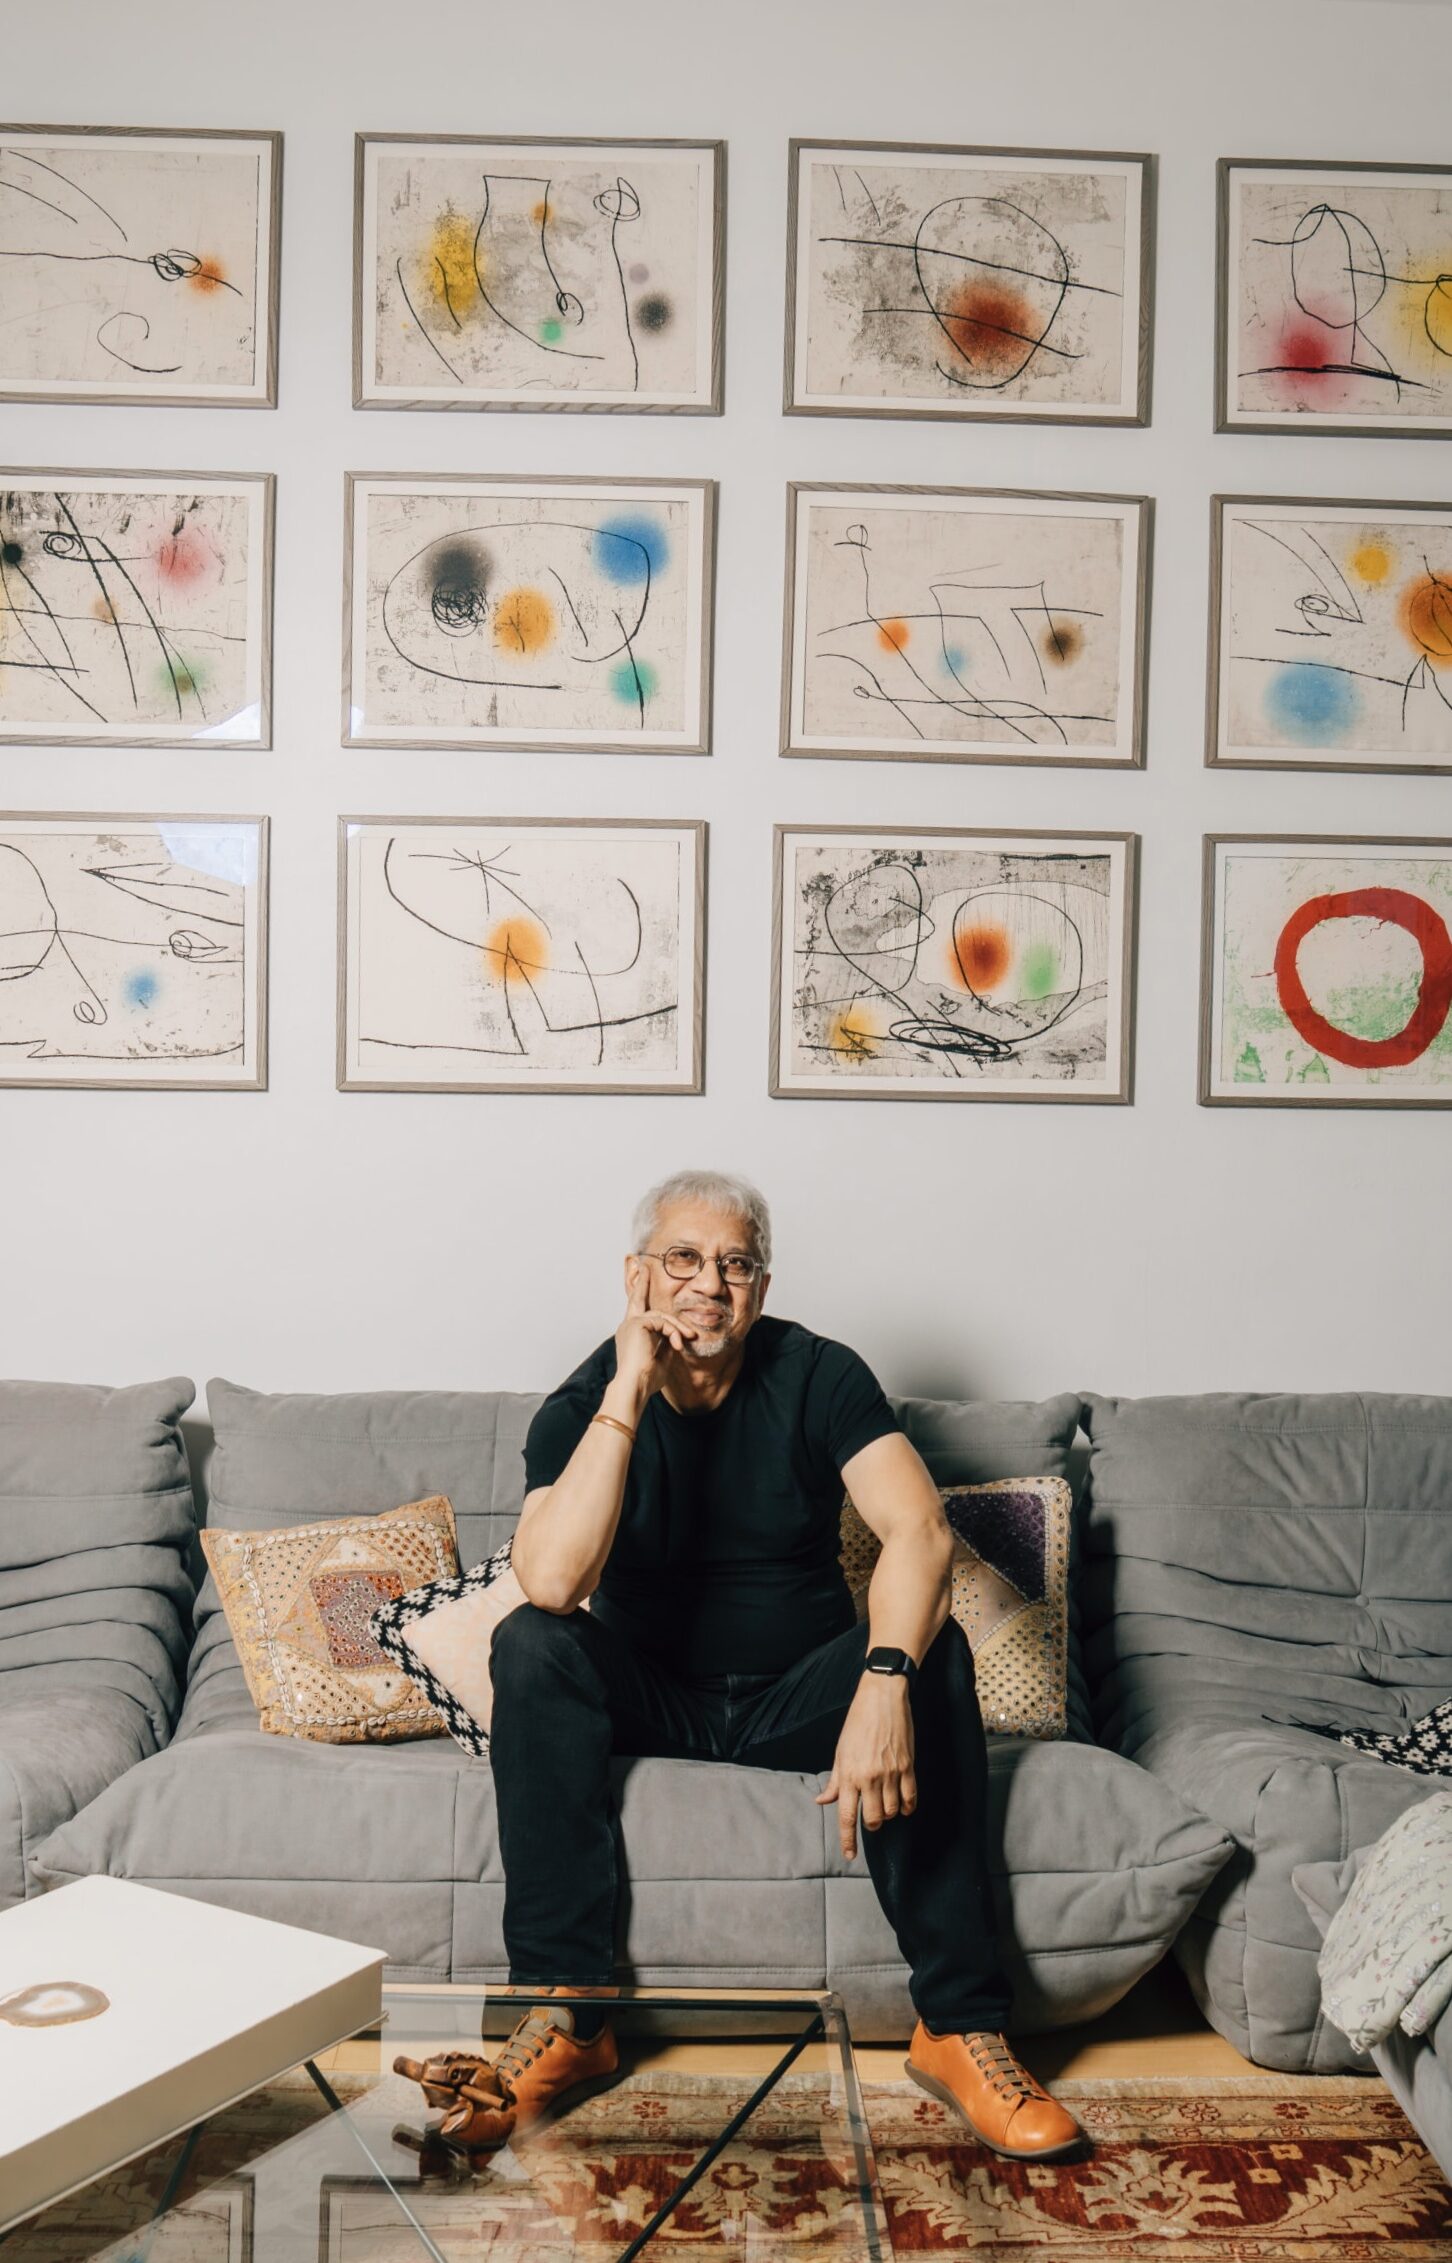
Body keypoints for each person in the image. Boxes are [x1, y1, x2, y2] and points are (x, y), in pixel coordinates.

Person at [438, 1169, 1083, 2160]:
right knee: (530, 1643)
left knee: (931, 1647)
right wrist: (627, 1388)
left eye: (734, 1264)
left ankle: (957, 2027)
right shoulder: (580, 1401)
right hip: (653, 1694)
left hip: (797, 1692)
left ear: (762, 1288)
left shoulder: (820, 1374)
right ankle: (570, 2018)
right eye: (683, 1260)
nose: (709, 1284)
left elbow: (919, 1532)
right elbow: (554, 1583)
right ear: (637, 1276)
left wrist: (880, 1680)